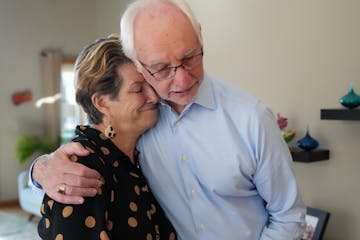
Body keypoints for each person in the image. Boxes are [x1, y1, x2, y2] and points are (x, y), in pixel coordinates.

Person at [31, 0, 306, 239]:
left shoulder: (251, 118)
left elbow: (289, 217)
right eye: (161, 68)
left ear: (200, 37)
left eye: (190, 58)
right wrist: (40, 169)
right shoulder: (139, 124)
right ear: (141, 64)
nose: (183, 80)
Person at [37, 34, 177, 240]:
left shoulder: (135, 155)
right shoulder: (82, 168)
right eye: (138, 89)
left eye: (150, 84)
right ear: (102, 103)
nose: (154, 97)